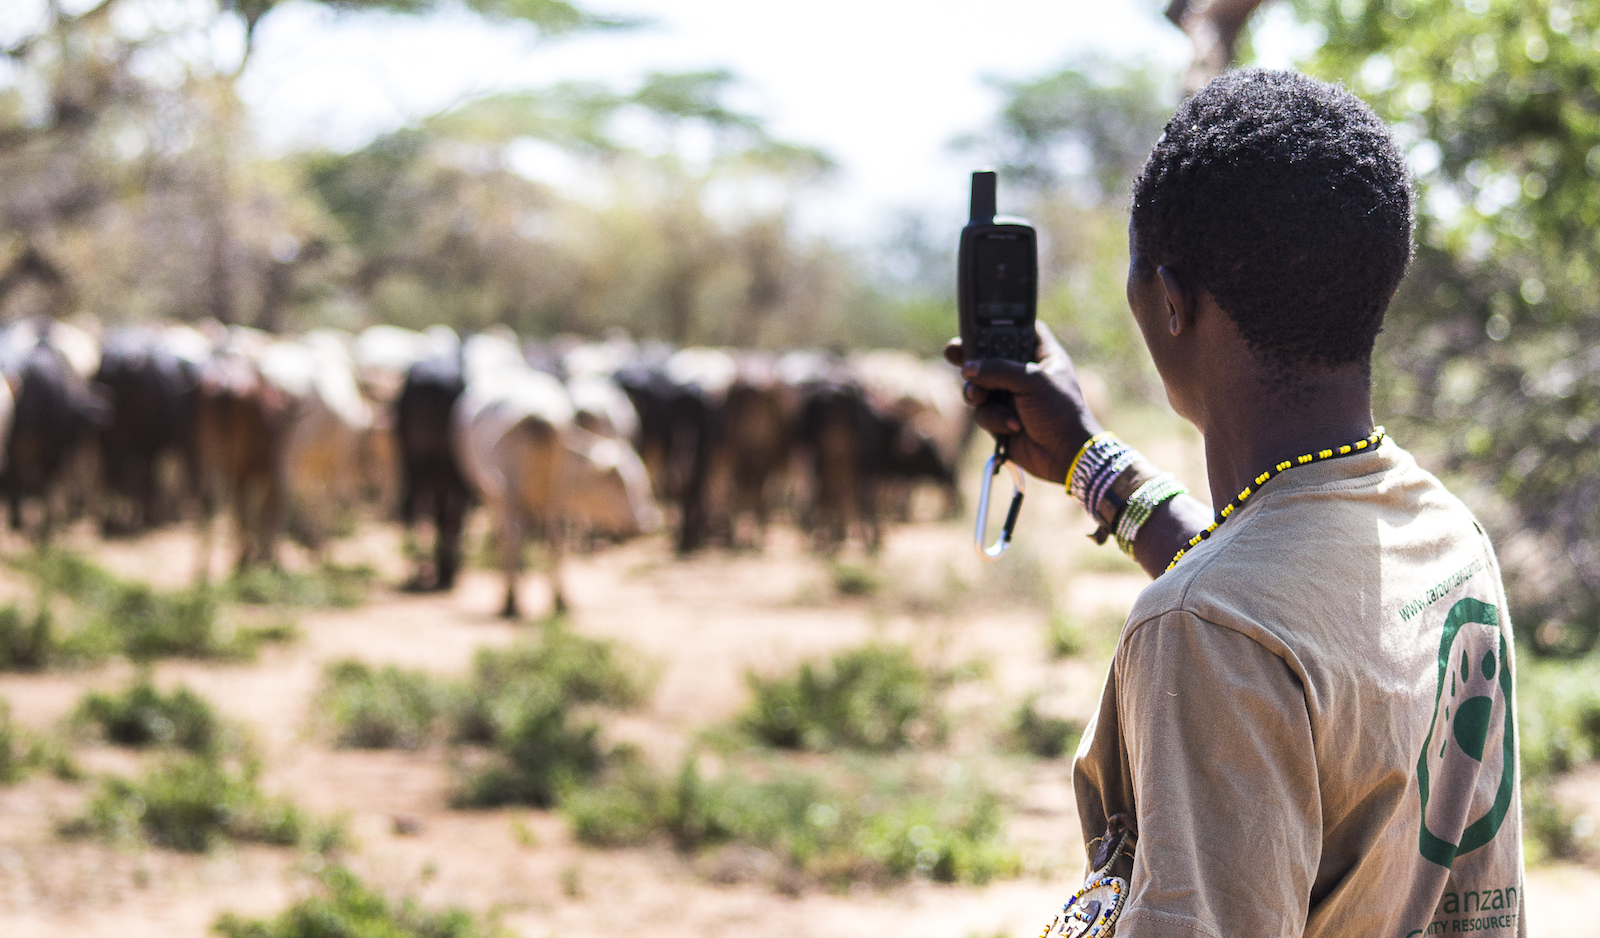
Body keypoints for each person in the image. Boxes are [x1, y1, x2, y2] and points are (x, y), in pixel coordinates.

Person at [948, 69, 1524, 937]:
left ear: (1170, 302)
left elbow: (1246, 618)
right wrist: (1090, 462)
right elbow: (1286, 604)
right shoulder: (1442, 530)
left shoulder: (1203, 628)